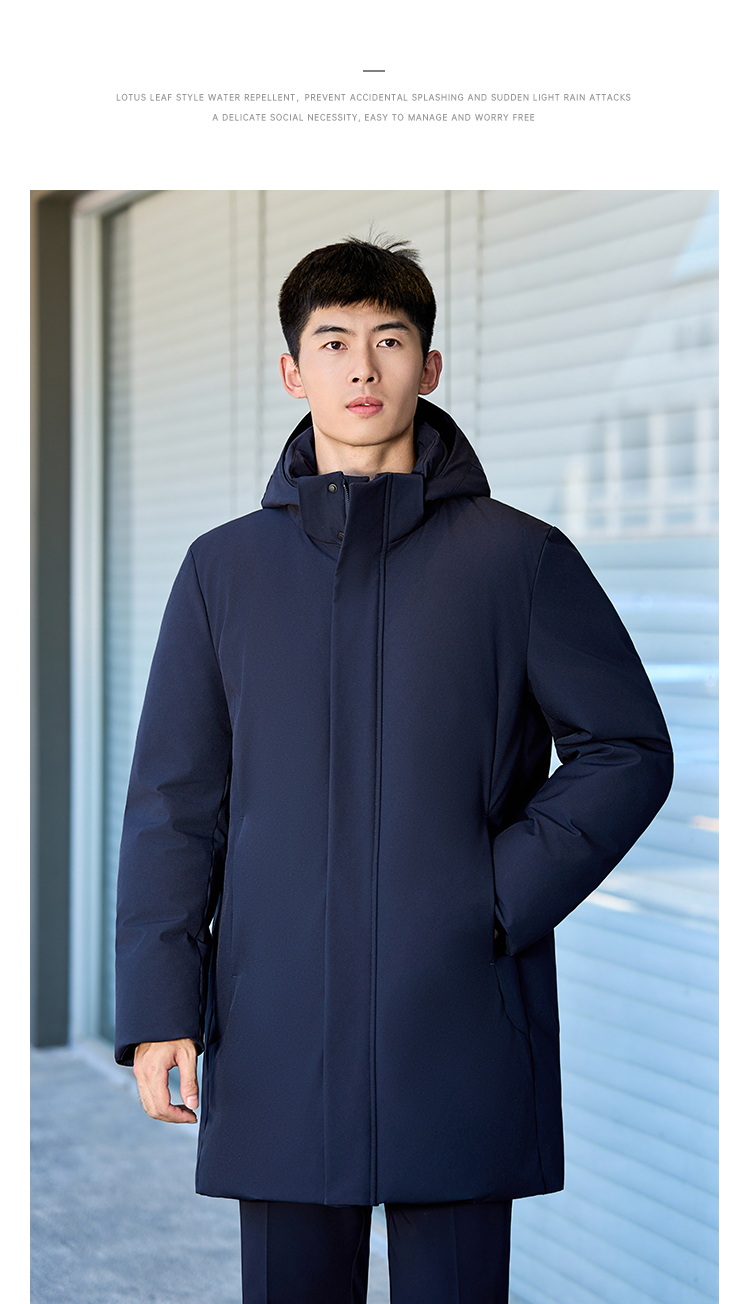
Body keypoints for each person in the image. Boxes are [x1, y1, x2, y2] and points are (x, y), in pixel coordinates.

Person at [115, 237, 673, 1303]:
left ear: (430, 365)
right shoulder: (223, 570)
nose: (362, 368)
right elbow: (174, 805)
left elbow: (628, 748)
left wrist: (494, 895)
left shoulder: (519, 559)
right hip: (275, 1013)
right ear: (294, 371)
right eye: (334, 343)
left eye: (390, 339)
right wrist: (158, 1006)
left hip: (459, 1010)